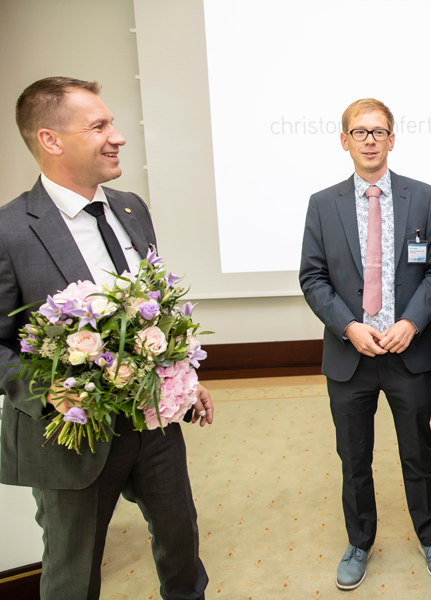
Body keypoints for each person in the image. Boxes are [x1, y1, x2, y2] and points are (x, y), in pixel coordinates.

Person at [0, 77, 214, 600]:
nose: (117, 136)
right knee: (73, 576)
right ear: (51, 140)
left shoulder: (130, 207)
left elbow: (153, 310)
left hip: (154, 422)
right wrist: (49, 393)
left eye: (112, 123)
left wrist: (185, 375)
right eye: (99, 126)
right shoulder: (9, 230)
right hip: (70, 436)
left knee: (182, 551)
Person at [299, 98, 431, 590]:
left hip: (407, 354)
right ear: (344, 140)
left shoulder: (423, 198)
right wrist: (349, 327)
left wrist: (411, 322)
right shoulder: (322, 204)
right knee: (354, 458)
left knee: (418, 454)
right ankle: (359, 541)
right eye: (360, 132)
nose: (370, 140)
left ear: (392, 139)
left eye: (379, 132)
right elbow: (313, 277)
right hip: (351, 356)